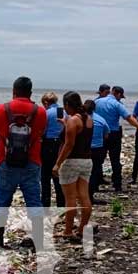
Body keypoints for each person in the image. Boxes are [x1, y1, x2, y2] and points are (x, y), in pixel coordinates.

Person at [0, 76, 47, 248]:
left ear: (13, 91)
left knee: (1, 201)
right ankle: (38, 239)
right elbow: (40, 133)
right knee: (34, 201)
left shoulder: (2, 109)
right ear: (31, 93)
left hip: (5, 161)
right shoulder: (40, 112)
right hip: (31, 161)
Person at [52, 92, 94, 241]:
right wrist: (66, 124)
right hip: (87, 161)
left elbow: (69, 145)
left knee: (70, 198)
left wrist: (57, 163)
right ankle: (82, 229)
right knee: (84, 196)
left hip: (71, 162)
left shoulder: (73, 120)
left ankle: (68, 231)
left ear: (68, 105)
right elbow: (81, 136)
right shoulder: (89, 119)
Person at [94, 86, 138, 192]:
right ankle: (117, 184)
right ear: (117, 94)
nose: (120, 98)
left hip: (99, 133)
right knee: (115, 160)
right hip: (113, 133)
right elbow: (128, 117)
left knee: (98, 159)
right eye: (120, 96)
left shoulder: (97, 102)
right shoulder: (117, 104)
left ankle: (96, 183)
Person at [40, 92, 65, 208]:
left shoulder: (46, 113)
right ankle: (61, 203)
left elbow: (43, 131)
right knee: (58, 175)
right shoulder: (64, 112)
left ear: (46, 102)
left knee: (45, 175)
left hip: (48, 144)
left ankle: (46, 204)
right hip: (61, 144)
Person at [86, 99, 111, 205]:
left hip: (85, 149)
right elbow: (106, 134)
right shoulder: (101, 120)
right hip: (97, 149)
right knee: (94, 172)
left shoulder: (80, 119)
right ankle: (90, 196)